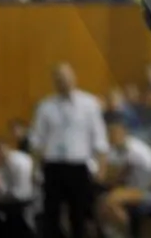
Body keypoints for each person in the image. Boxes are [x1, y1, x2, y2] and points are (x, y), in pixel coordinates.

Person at [28, 63, 109, 238]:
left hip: (78, 165)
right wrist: (34, 168)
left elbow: (100, 138)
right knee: (51, 215)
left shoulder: (89, 104)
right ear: (54, 82)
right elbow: (37, 140)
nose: (63, 81)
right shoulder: (45, 106)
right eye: (58, 78)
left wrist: (102, 167)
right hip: (53, 165)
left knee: (78, 214)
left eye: (66, 77)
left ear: (74, 78)